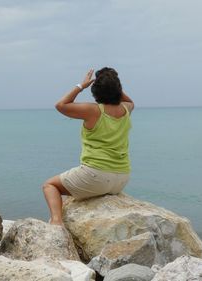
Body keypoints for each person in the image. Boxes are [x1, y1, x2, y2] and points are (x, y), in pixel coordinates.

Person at [42, 67, 135, 225]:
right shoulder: (126, 109)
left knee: (50, 185)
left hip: (96, 176)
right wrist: (113, 85)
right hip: (121, 178)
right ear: (118, 90)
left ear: (96, 91)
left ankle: (56, 223)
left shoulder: (93, 111)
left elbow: (61, 105)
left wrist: (81, 85)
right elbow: (130, 101)